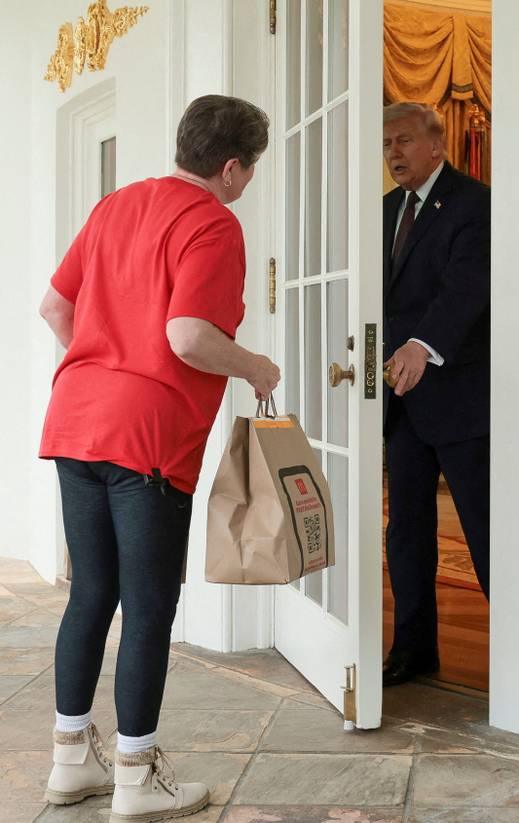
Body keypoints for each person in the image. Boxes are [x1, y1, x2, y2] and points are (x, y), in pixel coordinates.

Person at [38, 95, 280, 822]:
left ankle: (69, 761)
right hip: (147, 438)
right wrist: (256, 367)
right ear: (231, 168)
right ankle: (137, 777)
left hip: (74, 421)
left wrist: (103, 360)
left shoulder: (116, 206)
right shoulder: (212, 221)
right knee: (148, 606)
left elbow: (54, 306)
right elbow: (187, 335)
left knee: (90, 594)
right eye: (252, 168)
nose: (248, 181)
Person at [381, 102, 491, 686]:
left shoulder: (476, 204)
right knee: (406, 532)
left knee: (484, 528)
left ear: (436, 145)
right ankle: (413, 650)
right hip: (401, 405)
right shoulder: (382, 212)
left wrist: (424, 346)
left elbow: (466, 289)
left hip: (461, 400)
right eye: (387, 145)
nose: (394, 154)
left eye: (403, 141)